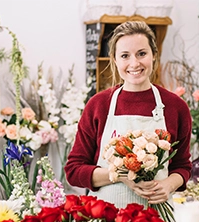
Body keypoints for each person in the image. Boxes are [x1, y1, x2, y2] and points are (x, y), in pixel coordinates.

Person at [64, 21, 192, 209]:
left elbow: (182, 166)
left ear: (154, 55)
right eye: (125, 56)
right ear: (115, 60)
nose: (134, 63)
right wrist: (122, 175)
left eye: (142, 53)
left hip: (156, 219)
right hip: (105, 218)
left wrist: (168, 185)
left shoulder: (176, 107)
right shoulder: (99, 105)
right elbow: (74, 170)